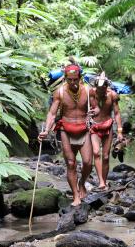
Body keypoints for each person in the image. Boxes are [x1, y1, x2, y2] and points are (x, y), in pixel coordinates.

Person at [38, 63, 95, 206]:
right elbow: (52, 113)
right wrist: (46, 130)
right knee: (71, 163)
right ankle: (75, 195)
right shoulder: (60, 92)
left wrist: (94, 112)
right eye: (69, 79)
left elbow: (97, 108)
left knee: (88, 162)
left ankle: (82, 183)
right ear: (65, 78)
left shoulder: (88, 91)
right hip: (66, 129)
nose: (72, 82)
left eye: (75, 79)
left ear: (80, 78)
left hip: (84, 128)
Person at [89, 72, 123, 191]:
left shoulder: (112, 95)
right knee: (96, 152)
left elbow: (117, 113)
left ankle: (104, 179)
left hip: (108, 127)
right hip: (94, 127)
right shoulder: (91, 92)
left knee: (106, 156)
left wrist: (119, 131)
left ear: (106, 87)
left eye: (103, 89)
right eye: (98, 89)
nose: (100, 91)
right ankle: (101, 182)